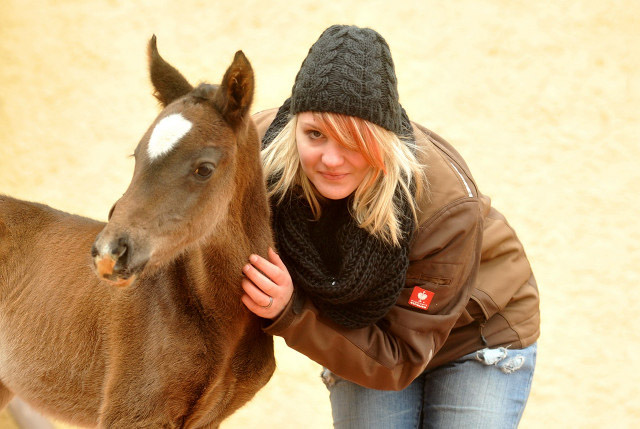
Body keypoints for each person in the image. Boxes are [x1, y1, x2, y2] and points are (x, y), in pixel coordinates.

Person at [241, 24, 540, 428]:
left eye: (352, 141)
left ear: (383, 138)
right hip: (359, 329)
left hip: (475, 338)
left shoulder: (444, 208)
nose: (330, 159)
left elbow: (399, 360)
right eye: (315, 134)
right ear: (294, 124)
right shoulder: (256, 149)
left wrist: (291, 313)